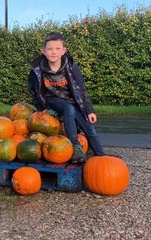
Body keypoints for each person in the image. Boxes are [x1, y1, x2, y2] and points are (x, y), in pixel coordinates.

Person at [27, 32, 106, 163]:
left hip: (73, 100)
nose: (53, 52)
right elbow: (34, 92)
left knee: (89, 129)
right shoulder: (36, 71)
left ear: (64, 51)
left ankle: (102, 158)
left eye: (57, 49)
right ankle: (75, 146)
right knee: (68, 108)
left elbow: (82, 90)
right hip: (52, 100)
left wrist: (89, 110)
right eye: (50, 49)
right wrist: (41, 108)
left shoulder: (72, 67)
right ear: (43, 51)